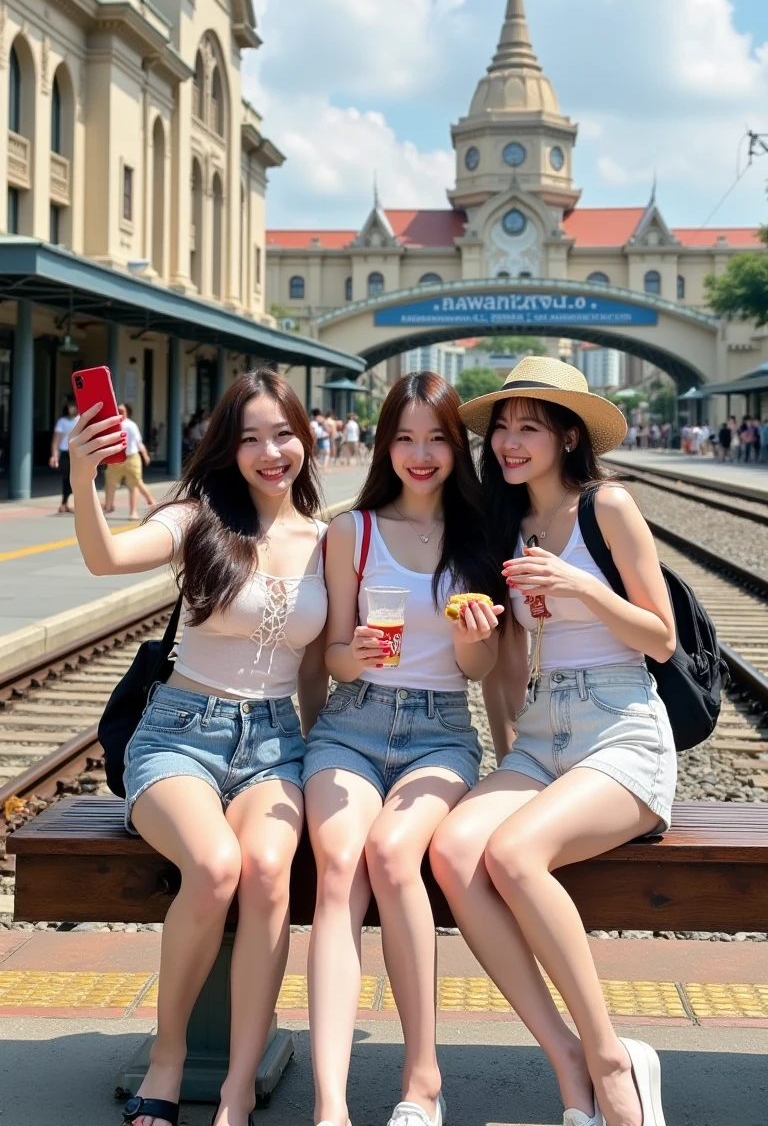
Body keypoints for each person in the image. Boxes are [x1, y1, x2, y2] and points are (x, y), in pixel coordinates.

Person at [68, 369, 329, 1126]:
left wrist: (319, 757)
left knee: (270, 875)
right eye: (249, 438)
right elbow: (107, 558)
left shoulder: (327, 539)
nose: (270, 452)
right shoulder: (197, 518)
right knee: (215, 869)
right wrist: (86, 478)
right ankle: (170, 1054)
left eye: (282, 434)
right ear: (228, 448)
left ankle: (240, 1083)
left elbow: (313, 671)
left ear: (304, 438)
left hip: (276, 745)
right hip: (179, 736)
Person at [430, 357, 676, 1126]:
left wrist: (584, 589)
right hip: (540, 736)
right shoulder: (504, 525)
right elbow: (499, 671)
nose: (508, 441)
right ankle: (567, 1057)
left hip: (621, 728)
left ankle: (611, 1064)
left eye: (528, 426)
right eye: (501, 426)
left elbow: (662, 638)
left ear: (568, 436)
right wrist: (509, 758)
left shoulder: (609, 506)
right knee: (453, 852)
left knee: (510, 854)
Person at [303, 371, 504, 1126]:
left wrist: (468, 640)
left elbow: (481, 672)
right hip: (351, 726)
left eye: (438, 439)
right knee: (337, 871)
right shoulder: (351, 532)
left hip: (439, 731)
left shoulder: (481, 536)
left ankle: (421, 1081)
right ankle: (330, 1106)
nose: (421, 455)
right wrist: (354, 651)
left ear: (457, 447)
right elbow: (330, 658)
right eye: (405, 438)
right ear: (385, 443)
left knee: (392, 856)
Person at [104, 404, 154, 520]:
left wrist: (145, 455)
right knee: (111, 483)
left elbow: (139, 442)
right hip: (115, 457)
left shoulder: (131, 425)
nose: (120, 412)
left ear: (127, 412)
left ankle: (136, 510)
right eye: (118, 410)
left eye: (122, 410)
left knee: (135, 484)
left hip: (131, 457)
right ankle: (108, 506)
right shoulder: (111, 423)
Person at [50, 399, 80, 513]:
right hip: (66, 452)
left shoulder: (82, 419)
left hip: (79, 452)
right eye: (70, 406)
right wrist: (54, 455)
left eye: (74, 406)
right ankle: (64, 503)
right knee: (67, 478)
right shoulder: (62, 421)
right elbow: (56, 440)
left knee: (78, 478)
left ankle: (77, 503)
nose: (71, 409)